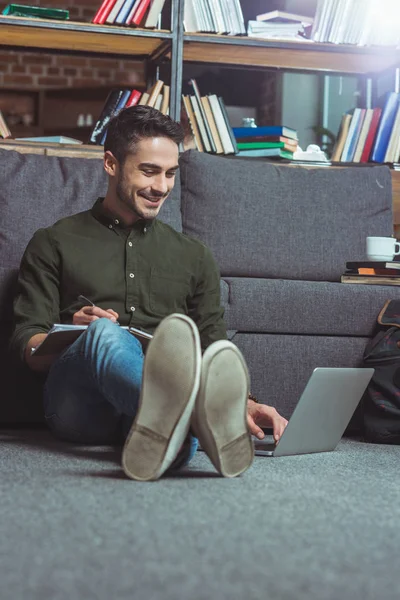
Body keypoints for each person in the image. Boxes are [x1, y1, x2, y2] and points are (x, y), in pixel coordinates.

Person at [11, 105, 288, 481]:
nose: (162, 187)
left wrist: (246, 404)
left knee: (174, 440)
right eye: (149, 170)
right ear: (111, 164)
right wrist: (72, 336)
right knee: (105, 333)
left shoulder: (194, 256)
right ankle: (196, 417)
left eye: (170, 173)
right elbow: (28, 348)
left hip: (145, 420)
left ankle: (177, 424)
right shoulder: (54, 242)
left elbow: (212, 351)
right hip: (78, 409)